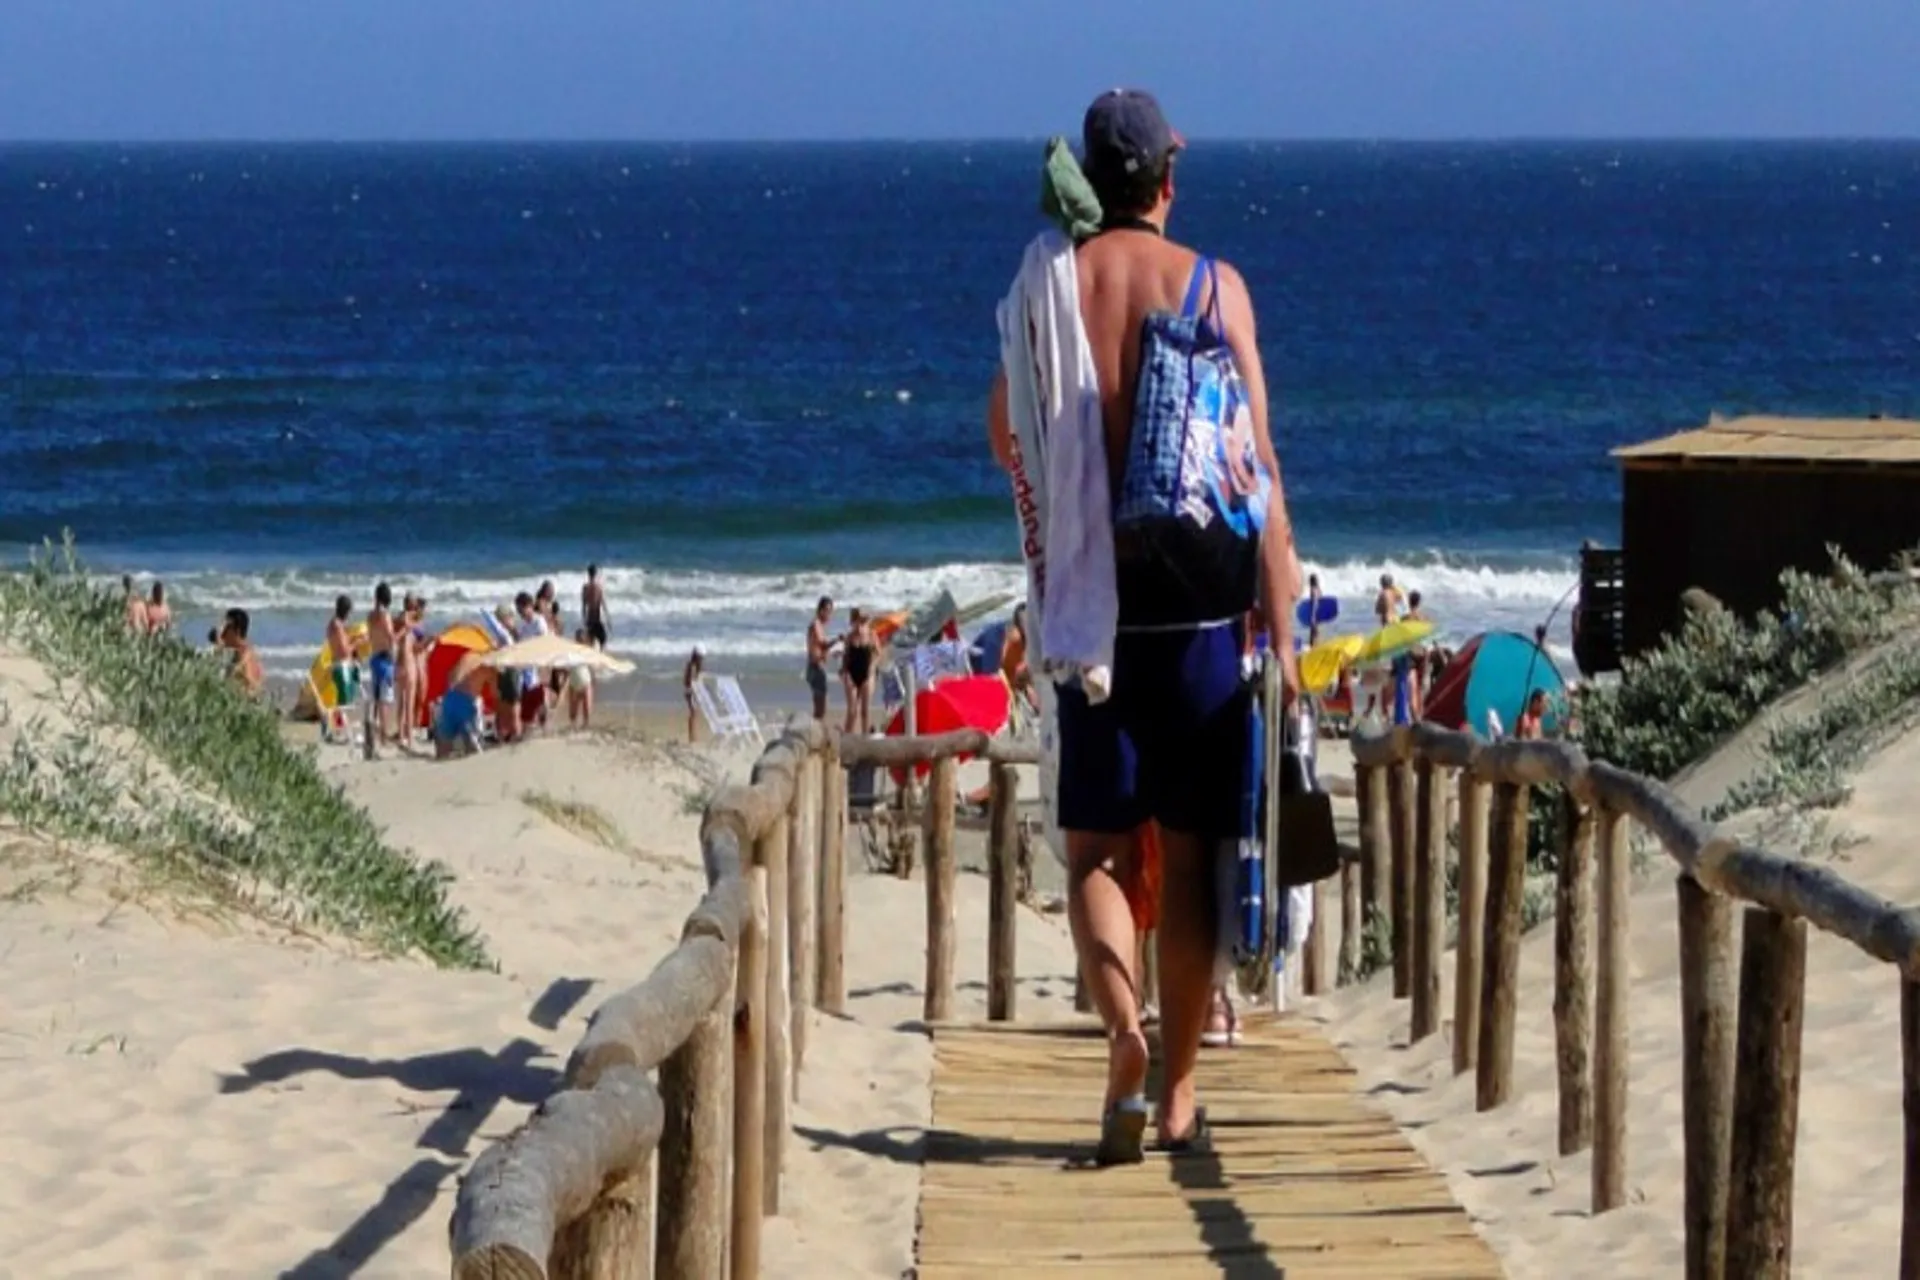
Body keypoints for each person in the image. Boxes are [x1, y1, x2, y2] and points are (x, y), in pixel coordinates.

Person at [986, 90, 1300, 1161]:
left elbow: (1004, 431)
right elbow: (1255, 466)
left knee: (1096, 857)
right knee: (1198, 848)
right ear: (1167, 178)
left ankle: (1120, 1033)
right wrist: (1287, 618)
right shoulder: (1214, 286)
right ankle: (1177, 1089)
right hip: (1203, 614)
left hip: (1093, 614)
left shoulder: (1053, 291)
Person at [366, 582, 398, 744]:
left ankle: (375, 732)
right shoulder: (385, 615)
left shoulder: (370, 616)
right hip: (385, 658)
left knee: (377, 698)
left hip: (374, 656)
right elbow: (390, 637)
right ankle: (384, 735)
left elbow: (372, 636)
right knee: (385, 699)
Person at [841, 608, 877, 734]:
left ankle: (865, 738)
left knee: (865, 711)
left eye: (862, 621)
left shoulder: (872, 635)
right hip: (852, 673)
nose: (859, 625)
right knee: (852, 711)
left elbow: (878, 653)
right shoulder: (849, 637)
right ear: (853, 622)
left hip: (867, 674)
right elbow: (846, 657)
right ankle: (847, 739)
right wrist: (844, 673)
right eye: (857, 621)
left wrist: (873, 667)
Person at [218, 608, 264, 698]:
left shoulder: (246, 657)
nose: (222, 634)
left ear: (237, 631)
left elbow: (253, 688)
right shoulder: (245, 652)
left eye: (226, 628)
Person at [805, 596, 837, 721]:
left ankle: (816, 732)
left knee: (821, 708)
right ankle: (815, 733)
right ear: (821, 610)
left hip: (817, 667)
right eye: (827, 611)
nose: (829, 615)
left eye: (831, 612)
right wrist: (836, 641)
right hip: (815, 668)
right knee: (820, 709)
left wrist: (833, 651)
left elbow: (821, 648)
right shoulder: (816, 624)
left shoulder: (819, 626)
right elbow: (823, 644)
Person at [326, 595, 359, 709]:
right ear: (346, 611)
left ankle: (339, 725)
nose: (350, 616)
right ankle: (340, 726)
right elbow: (344, 652)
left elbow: (340, 645)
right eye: (350, 612)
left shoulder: (334, 624)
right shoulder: (338, 626)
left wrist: (352, 639)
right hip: (341, 666)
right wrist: (357, 643)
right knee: (344, 704)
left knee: (342, 703)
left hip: (338, 665)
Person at [566, 627, 596, 730]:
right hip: (573, 683)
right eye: (578, 637)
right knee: (573, 710)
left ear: (585, 638)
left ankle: (585, 726)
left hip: (586, 682)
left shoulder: (588, 651)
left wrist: (594, 680)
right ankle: (573, 726)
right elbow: (566, 666)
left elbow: (593, 666)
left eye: (582, 637)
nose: (580, 639)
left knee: (587, 708)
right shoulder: (570, 651)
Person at [582, 564, 610, 650]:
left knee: (591, 640)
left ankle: (594, 656)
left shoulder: (585, 587)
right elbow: (602, 603)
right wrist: (608, 618)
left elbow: (583, 605)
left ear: (588, 573)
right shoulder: (598, 587)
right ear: (596, 573)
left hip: (590, 618)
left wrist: (584, 619)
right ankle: (600, 654)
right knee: (603, 639)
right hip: (597, 617)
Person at [683, 647, 705, 743]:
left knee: (694, 714)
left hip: (691, 691)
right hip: (691, 692)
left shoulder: (692, 665)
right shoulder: (692, 666)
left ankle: (693, 736)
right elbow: (690, 680)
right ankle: (692, 737)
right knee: (693, 714)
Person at [1305, 573, 1324, 647]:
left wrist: (1312, 616)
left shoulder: (1313, 590)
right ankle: (1318, 646)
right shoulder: (1319, 590)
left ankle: (1313, 648)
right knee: (1317, 632)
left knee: (1313, 633)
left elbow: (1314, 603)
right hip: (1319, 613)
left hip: (1314, 614)